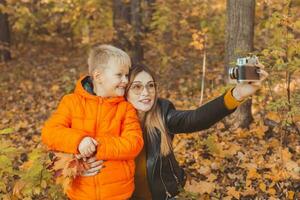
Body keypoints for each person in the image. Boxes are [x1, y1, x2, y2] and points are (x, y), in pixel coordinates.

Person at [80, 63, 268, 200]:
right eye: (137, 87)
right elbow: (68, 144)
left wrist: (237, 94)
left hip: (164, 194)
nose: (146, 93)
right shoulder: (107, 118)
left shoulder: (162, 112)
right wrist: (80, 166)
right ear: (125, 91)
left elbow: (196, 119)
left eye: (150, 85)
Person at [41, 44, 144, 200]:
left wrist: (96, 147)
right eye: (119, 75)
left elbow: (134, 143)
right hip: (80, 192)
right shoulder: (71, 102)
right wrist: (80, 142)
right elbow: (50, 132)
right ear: (98, 76)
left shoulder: (125, 108)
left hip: (118, 193)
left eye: (126, 75)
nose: (125, 80)